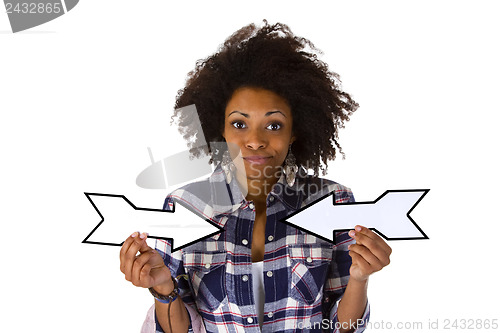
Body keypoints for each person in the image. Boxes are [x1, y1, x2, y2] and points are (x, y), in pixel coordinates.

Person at [119, 21, 392, 333]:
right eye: (239, 124)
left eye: (274, 125)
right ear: (218, 129)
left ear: (295, 132)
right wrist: (163, 289)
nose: (255, 140)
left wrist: (359, 279)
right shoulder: (185, 206)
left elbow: (344, 327)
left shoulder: (332, 201)